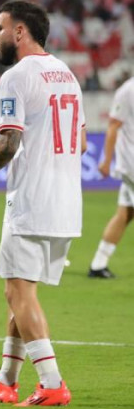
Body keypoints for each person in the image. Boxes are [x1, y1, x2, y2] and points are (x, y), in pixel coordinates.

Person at [0, 1, 84, 407]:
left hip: (32, 201)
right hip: (67, 202)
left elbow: (9, 142)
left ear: (20, 32)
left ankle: (51, 383)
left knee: (19, 293)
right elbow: (80, 142)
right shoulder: (67, 74)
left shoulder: (17, 76)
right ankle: (5, 379)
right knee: (17, 290)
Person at [88, 75, 134, 278]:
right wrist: (107, 160)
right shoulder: (127, 91)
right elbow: (113, 126)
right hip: (132, 163)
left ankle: (98, 264)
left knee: (125, 213)